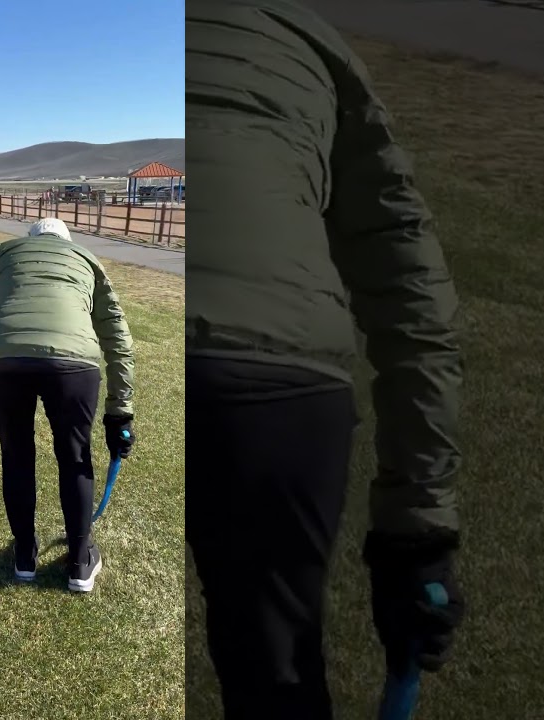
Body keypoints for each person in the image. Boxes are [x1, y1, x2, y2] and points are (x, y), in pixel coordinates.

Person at [187, 1, 466, 717]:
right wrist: (418, 527)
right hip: (278, 383)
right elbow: (410, 290)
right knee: (274, 672)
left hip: (209, 361)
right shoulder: (316, 42)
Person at [0, 217, 136, 593]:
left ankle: (25, 556)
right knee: (75, 457)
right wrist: (120, 410)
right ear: (65, 242)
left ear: (32, 240)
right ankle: (79, 563)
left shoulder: (0, 253)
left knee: (16, 455)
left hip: (3, 363)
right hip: (74, 366)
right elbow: (118, 338)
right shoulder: (87, 258)